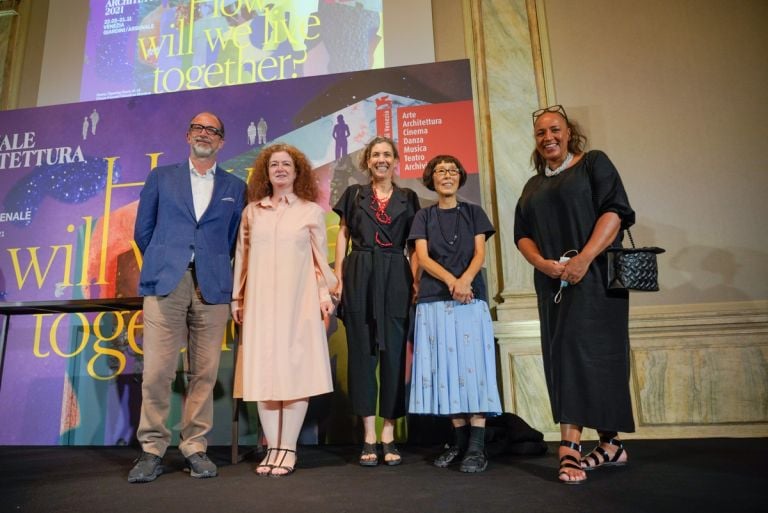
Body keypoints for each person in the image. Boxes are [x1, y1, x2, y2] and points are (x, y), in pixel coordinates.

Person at [513, 105, 636, 484]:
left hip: (595, 278)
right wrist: (543, 264)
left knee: (595, 356)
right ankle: (608, 445)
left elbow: (614, 212)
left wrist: (584, 258)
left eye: (554, 129)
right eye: (540, 133)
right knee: (563, 355)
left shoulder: (593, 163)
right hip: (554, 284)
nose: (548, 137)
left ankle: (574, 448)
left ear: (569, 133)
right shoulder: (533, 185)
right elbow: (522, 234)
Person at [129, 112, 247, 483]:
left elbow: (232, 239)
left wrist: (208, 263)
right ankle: (152, 450)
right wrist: (169, 260)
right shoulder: (161, 177)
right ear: (187, 135)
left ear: (222, 142)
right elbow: (142, 231)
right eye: (199, 128)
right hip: (167, 282)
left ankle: (195, 446)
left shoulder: (235, 185)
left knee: (205, 373)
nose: (205, 134)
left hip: (212, 286)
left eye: (213, 130)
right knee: (157, 372)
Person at [231, 143, 337, 477]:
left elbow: (321, 260)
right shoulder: (252, 212)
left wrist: (325, 296)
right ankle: (272, 448)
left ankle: (288, 449)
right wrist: (238, 298)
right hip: (260, 303)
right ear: (266, 171)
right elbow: (242, 261)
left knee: (294, 373)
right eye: (274, 164)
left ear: (297, 171)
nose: (280, 169)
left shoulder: (310, 212)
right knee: (263, 374)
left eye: (286, 164)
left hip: (298, 302)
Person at [407, 154, 502, 473]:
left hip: (470, 299)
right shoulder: (423, 216)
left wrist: (464, 281)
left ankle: (476, 447)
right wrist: (451, 281)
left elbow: (479, 253)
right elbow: (422, 257)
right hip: (434, 300)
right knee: (446, 372)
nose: (446, 175)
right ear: (431, 179)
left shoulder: (474, 213)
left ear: (460, 177)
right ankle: (459, 443)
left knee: (473, 371)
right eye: (439, 171)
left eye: (452, 170)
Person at [332, 136, 420, 467]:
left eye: (387, 154)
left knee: (394, 355)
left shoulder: (408, 198)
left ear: (396, 161)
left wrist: (414, 280)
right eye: (375, 155)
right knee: (362, 354)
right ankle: (368, 434)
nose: (381, 159)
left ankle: (389, 433)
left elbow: (415, 246)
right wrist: (339, 277)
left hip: (395, 275)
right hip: (360, 272)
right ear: (367, 161)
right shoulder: (354, 195)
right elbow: (343, 235)